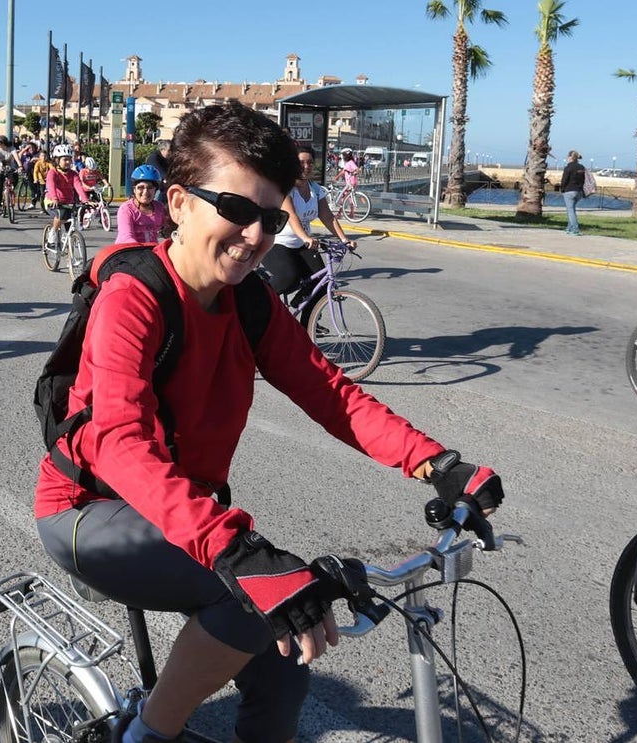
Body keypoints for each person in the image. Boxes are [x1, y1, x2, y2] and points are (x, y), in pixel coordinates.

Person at [33, 103, 504, 743]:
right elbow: (119, 443)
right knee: (249, 597)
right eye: (236, 209)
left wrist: (439, 465)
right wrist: (235, 548)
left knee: (286, 660)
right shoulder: (133, 297)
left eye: (271, 216)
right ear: (178, 203)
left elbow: (330, 394)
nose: (255, 236)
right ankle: (145, 736)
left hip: (178, 513)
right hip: (90, 510)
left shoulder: (248, 300)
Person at [262, 145, 356, 305]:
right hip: (277, 243)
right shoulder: (286, 188)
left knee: (321, 281)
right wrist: (306, 237)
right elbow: (291, 215)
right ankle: (259, 303)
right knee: (288, 277)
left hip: (302, 244)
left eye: (310, 163)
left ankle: (308, 322)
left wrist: (344, 240)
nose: (306, 167)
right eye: (301, 163)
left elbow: (327, 216)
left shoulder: (315, 189)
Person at [43, 144, 89, 247]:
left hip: (68, 202)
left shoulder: (73, 174)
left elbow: (78, 187)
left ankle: (70, 260)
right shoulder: (53, 172)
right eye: (65, 159)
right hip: (52, 201)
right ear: (57, 160)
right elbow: (51, 186)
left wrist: (85, 200)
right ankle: (52, 234)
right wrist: (55, 198)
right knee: (62, 214)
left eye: (69, 159)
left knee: (71, 227)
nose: (68, 162)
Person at [115, 164, 167, 244]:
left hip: (151, 251)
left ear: (155, 190)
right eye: (141, 187)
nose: (145, 192)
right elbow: (127, 237)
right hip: (128, 252)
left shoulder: (159, 208)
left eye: (150, 187)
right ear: (134, 189)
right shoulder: (126, 209)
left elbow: (170, 230)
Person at [558, 150, 587, 236]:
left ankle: (575, 229)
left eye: (568, 157)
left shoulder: (568, 167)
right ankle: (569, 228)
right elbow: (583, 180)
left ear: (571, 157)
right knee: (572, 210)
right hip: (579, 191)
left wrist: (562, 189)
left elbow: (564, 180)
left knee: (570, 211)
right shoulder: (581, 167)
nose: (567, 158)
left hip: (570, 191)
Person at [0, 136, 19, 215]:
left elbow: (16, 157)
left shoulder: (11, 148)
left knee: (15, 178)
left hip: (10, 168)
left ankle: (10, 191)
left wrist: (20, 166)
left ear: (3, 143)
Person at [31, 150, 52, 215]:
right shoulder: (38, 163)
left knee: (50, 193)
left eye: (45, 156)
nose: (43, 157)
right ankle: (43, 208)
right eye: (42, 156)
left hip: (48, 180)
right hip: (41, 181)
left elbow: (52, 169)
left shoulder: (48, 163)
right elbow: (35, 172)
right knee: (42, 194)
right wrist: (35, 179)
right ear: (39, 157)